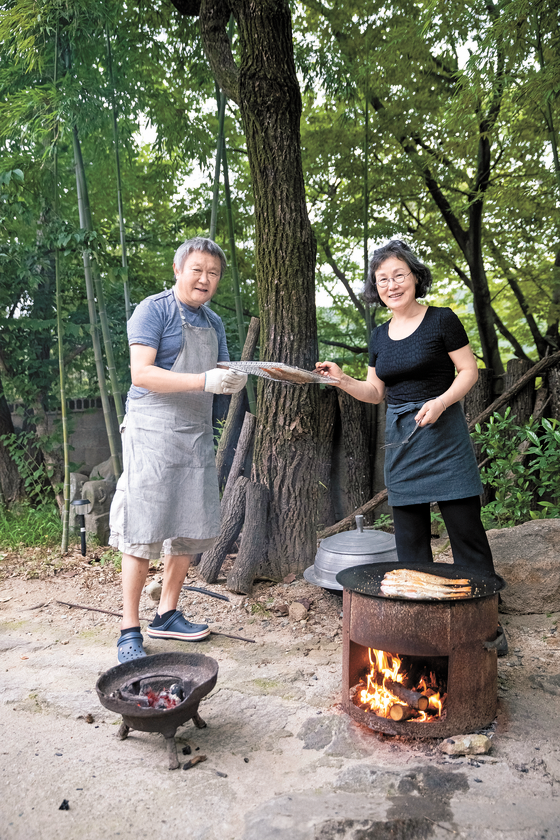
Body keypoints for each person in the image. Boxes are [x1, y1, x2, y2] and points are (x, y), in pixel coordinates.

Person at [316, 239, 495, 577]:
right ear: (375, 287)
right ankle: (419, 613)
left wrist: (441, 402)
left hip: (444, 434)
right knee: (410, 540)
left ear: (415, 277)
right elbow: (373, 392)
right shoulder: (379, 336)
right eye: (382, 279)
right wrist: (342, 380)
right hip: (402, 440)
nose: (391, 285)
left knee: (465, 529)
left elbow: (469, 371)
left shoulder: (442, 320)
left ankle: (481, 611)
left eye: (399, 275)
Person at [109, 237, 247, 663]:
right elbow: (142, 373)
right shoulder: (154, 309)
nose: (205, 279)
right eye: (198, 269)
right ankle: (129, 628)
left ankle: (166, 612)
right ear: (178, 268)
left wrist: (234, 378)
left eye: (214, 273)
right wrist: (203, 381)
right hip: (151, 429)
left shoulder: (214, 322)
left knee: (188, 521)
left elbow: (219, 370)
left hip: (193, 431)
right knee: (143, 529)